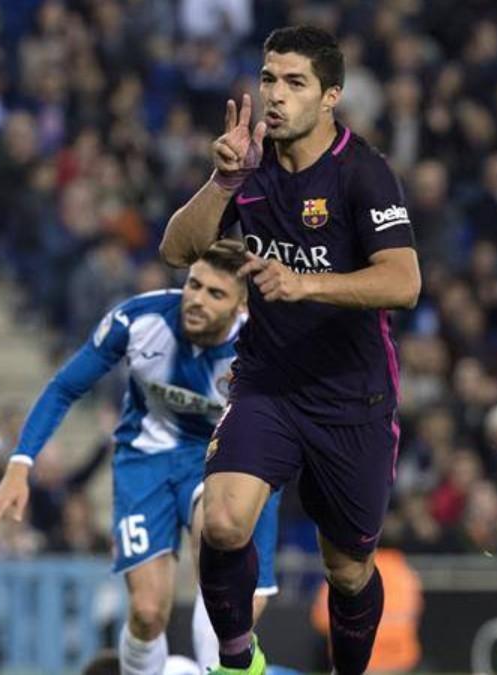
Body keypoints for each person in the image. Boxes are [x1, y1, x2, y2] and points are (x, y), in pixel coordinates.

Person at [159, 24, 420, 675]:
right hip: (266, 387)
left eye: (294, 82)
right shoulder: (249, 168)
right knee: (220, 522)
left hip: (351, 397)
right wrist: (222, 182)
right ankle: (237, 660)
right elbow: (176, 249)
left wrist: (309, 283)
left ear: (330, 95)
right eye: (268, 78)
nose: (274, 95)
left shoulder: (364, 173)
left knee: (349, 568)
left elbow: (404, 280)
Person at [0, 240, 282, 675]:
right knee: (146, 613)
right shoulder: (139, 319)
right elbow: (65, 386)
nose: (196, 299)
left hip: (223, 461)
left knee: (225, 590)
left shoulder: (263, 347)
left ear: (241, 305)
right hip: (146, 460)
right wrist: (20, 463)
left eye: (215, 294)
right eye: (194, 284)